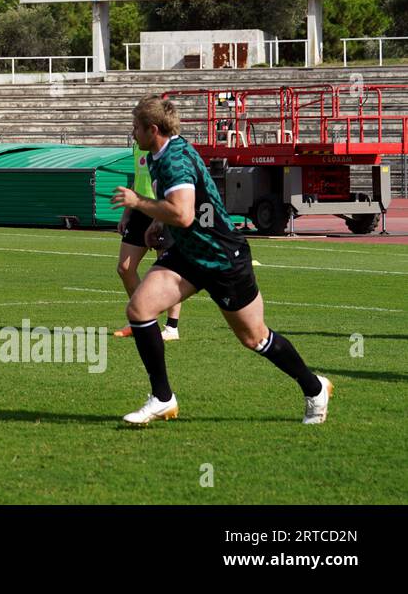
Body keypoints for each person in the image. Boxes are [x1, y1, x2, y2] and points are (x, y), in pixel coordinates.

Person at [110, 95, 332, 425]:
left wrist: (140, 202)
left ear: (152, 129)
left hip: (223, 257)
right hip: (189, 254)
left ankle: (314, 389)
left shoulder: (174, 159)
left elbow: (184, 215)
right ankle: (162, 398)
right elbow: (188, 201)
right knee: (140, 309)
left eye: (136, 128)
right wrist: (159, 221)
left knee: (254, 338)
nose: (132, 133)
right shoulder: (160, 152)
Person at [114, 138, 181, 342]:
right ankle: (142, 318)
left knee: (169, 270)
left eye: (137, 125)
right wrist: (127, 213)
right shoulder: (138, 145)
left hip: (161, 208)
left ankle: (172, 327)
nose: (134, 130)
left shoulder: (163, 145)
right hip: (140, 208)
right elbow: (137, 178)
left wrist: (161, 215)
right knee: (125, 268)